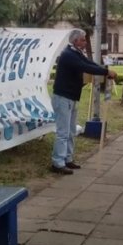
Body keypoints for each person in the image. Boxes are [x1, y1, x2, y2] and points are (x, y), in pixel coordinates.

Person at [51, 29, 117, 174]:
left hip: (72, 97)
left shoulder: (77, 53)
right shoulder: (68, 55)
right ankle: (57, 162)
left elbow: (89, 63)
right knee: (63, 132)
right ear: (75, 41)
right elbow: (85, 67)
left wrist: (105, 70)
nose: (85, 42)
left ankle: (67, 159)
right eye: (83, 40)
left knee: (71, 131)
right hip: (63, 97)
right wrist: (106, 72)